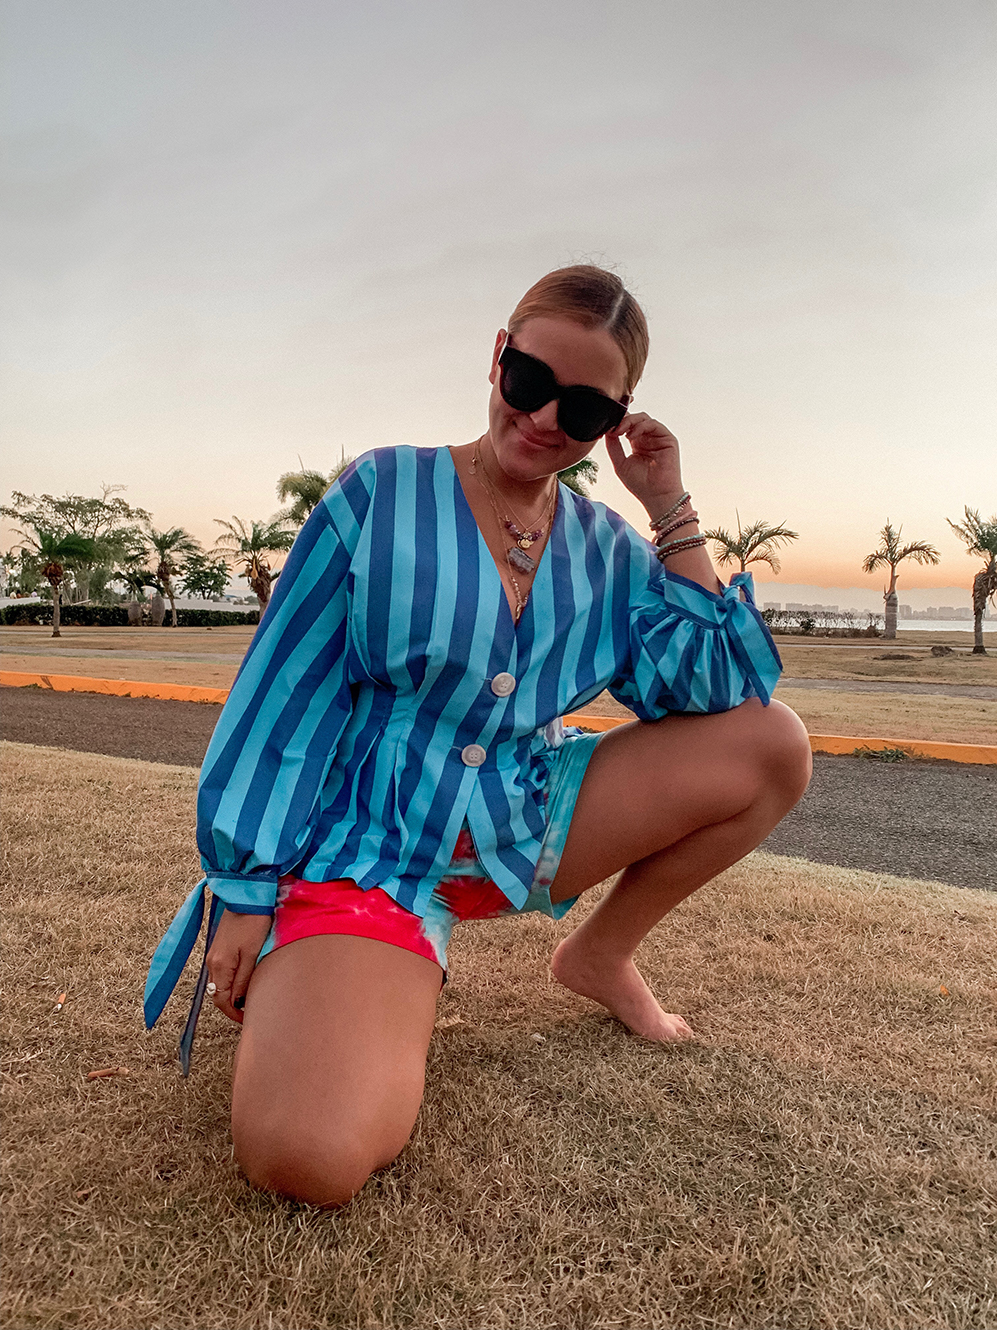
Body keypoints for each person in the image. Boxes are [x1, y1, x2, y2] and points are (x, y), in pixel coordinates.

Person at [145, 265, 811, 1208]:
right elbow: (284, 691)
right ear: (498, 356)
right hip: (364, 853)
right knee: (307, 1158)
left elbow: (721, 688)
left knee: (773, 744)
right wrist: (247, 889)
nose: (543, 419)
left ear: (613, 420)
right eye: (530, 380)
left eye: (582, 408)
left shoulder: (608, 552)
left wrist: (668, 508)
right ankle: (352, 979)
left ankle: (597, 957)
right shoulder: (382, 493)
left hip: (519, 825)